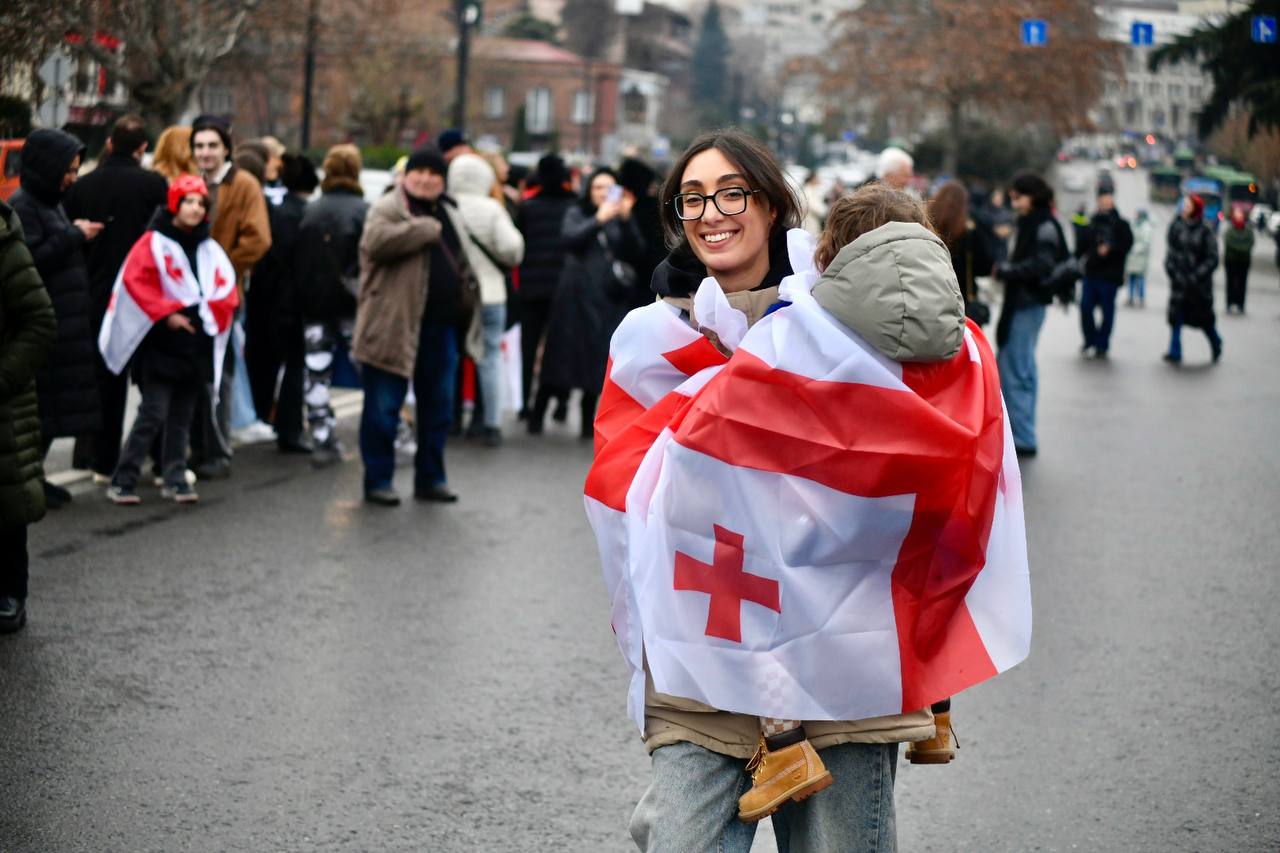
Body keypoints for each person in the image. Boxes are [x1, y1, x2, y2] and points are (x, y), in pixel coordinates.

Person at [610, 130, 955, 852]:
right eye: (693, 198)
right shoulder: (650, 341)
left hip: (833, 650)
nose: (711, 213)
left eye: (731, 192)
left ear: (769, 205)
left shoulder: (837, 322)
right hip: (704, 641)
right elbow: (622, 481)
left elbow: (915, 445)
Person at [99, 176, 238, 505]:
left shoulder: (209, 247)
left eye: (200, 203)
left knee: (182, 418)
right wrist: (166, 315)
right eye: (188, 201)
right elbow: (136, 284)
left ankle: (175, 478)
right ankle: (124, 478)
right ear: (175, 203)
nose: (194, 208)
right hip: (162, 347)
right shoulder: (153, 242)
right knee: (153, 413)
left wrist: (208, 315)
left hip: (195, 347)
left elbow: (225, 289)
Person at [353, 145, 471, 507]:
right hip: (392, 326)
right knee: (383, 409)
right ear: (405, 175)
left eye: (434, 173)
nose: (425, 178)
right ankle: (378, 480)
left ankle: (431, 479)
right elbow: (374, 242)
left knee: (438, 411)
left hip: (441, 329)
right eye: (418, 171)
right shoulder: (389, 206)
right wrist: (422, 229)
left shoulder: (450, 210)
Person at [63, 114, 169, 484]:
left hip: (97, 293)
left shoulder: (83, 187)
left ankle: (100, 460)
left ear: (109, 144)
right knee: (152, 382)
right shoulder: (154, 185)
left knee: (106, 381)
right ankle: (157, 458)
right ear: (142, 149)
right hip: (143, 297)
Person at [9, 128, 103, 508]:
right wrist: (73, 236)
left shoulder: (50, 201)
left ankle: (36, 476)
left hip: (62, 324)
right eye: (68, 170)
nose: (72, 178)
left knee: (48, 412)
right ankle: (26, 480)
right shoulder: (24, 206)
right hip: (43, 326)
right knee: (38, 412)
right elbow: (26, 260)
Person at [187, 114, 271, 479]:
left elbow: (258, 239)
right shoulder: (189, 183)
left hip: (223, 297)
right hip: (185, 295)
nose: (205, 153)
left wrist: (219, 270)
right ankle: (190, 446)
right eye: (199, 146)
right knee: (189, 375)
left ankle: (217, 450)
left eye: (211, 146)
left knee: (219, 375)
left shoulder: (244, 184)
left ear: (226, 148)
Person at [533, 168, 646, 438]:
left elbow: (636, 251)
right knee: (559, 357)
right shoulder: (577, 212)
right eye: (598, 188)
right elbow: (570, 239)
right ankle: (538, 413)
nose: (604, 194)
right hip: (573, 297)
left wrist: (627, 219)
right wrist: (598, 219)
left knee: (595, 360)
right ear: (588, 191)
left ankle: (587, 422)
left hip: (606, 298)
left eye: (610, 188)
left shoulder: (620, 218)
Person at [0, 197, 57, 634]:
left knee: (6, 499)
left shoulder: (5, 243)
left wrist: (4, 377)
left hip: (3, 400)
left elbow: (39, 320)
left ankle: (10, 593)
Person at [295, 144, 368, 466]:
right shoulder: (364, 210)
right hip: (354, 304)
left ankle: (322, 437)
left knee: (316, 373)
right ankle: (390, 433)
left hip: (314, 304)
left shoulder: (310, 211)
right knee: (369, 371)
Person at [447, 153, 525, 446]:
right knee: (489, 356)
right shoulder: (492, 209)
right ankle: (490, 424)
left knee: (453, 357)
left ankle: (451, 419)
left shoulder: (446, 206)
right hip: (491, 293)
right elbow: (513, 249)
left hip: (455, 295)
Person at [244, 153, 318, 452]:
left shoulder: (277, 210)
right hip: (291, 300)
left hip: (266, 298)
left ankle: (262, 416)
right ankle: (289, 429)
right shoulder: (303, 214)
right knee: (295, 365)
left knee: (264, 362)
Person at [993, 172, 1067, 457]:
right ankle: (1021, 431)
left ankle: (1022, 436)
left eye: (1018, 196)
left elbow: (1042, 265)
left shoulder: (1042, 225)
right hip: (1027, 303)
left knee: (1016, 368)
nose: (1014, 201)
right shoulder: (1036, 222)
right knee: (1021, 367)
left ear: (1032, 196)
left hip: (1026, 303)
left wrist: (1008, 271)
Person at [515, 155, 577, 420]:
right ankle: (561, 400)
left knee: (528, 346)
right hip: (563, 287)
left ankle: (524, 401)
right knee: (560, 346)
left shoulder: (527, 207)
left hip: (531, 286)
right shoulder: (573, 207)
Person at [1163, 193, 1222, 365]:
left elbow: (1212, 258)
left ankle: (1215, 342)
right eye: (1184, 205)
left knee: (1204, 320)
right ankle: (1175, 350)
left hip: (1198, 286)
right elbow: (1171, 253)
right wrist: (1173, 272)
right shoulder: (1177, 227)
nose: (1185, 208)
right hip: (1180, 283)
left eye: (1188, 206)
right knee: (1177, 317)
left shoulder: (1205, 230)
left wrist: (1197, 275)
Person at [930, 180, 994, 326]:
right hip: (961, 300)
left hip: (932, 295)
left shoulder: (926, 226)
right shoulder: (969, 231)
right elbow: (986, 266)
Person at [1077, 190, 1132, 358]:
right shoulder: (1091, 222)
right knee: (1085, 307)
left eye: (1108, 200)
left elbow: (1127, 245)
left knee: (1107, 311)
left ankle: (1102, 344)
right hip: (1092, 272)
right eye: (1102, 201)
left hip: (1110, 275)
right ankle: (1090, 339)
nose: (1105, 203)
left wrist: (1110, 249)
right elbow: (1081, 245)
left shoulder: (1121, 224)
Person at [1223, 208, 1254, 314]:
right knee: (1230, 283)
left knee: (1242, 283)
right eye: (1237, 214)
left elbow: (1250, 244)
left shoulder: (1248, 231)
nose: (1239, 216)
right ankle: (1229, 302)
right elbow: (1230, 243)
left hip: (1244, 262)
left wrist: (1240, 248)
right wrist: (1241, 247)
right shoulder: (1230, 230)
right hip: (1231, 261)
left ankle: (1240, 304)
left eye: (1240, 214)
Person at [1125, 208, 1153, 307]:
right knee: (1131, 278)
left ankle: (1141, 298)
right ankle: (1130, 298)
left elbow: (1145, 243)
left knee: (1140, 279)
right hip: (1132, 258)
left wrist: (1134, 249)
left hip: (1140, 257)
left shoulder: (1146, 227)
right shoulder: (1134, 225)